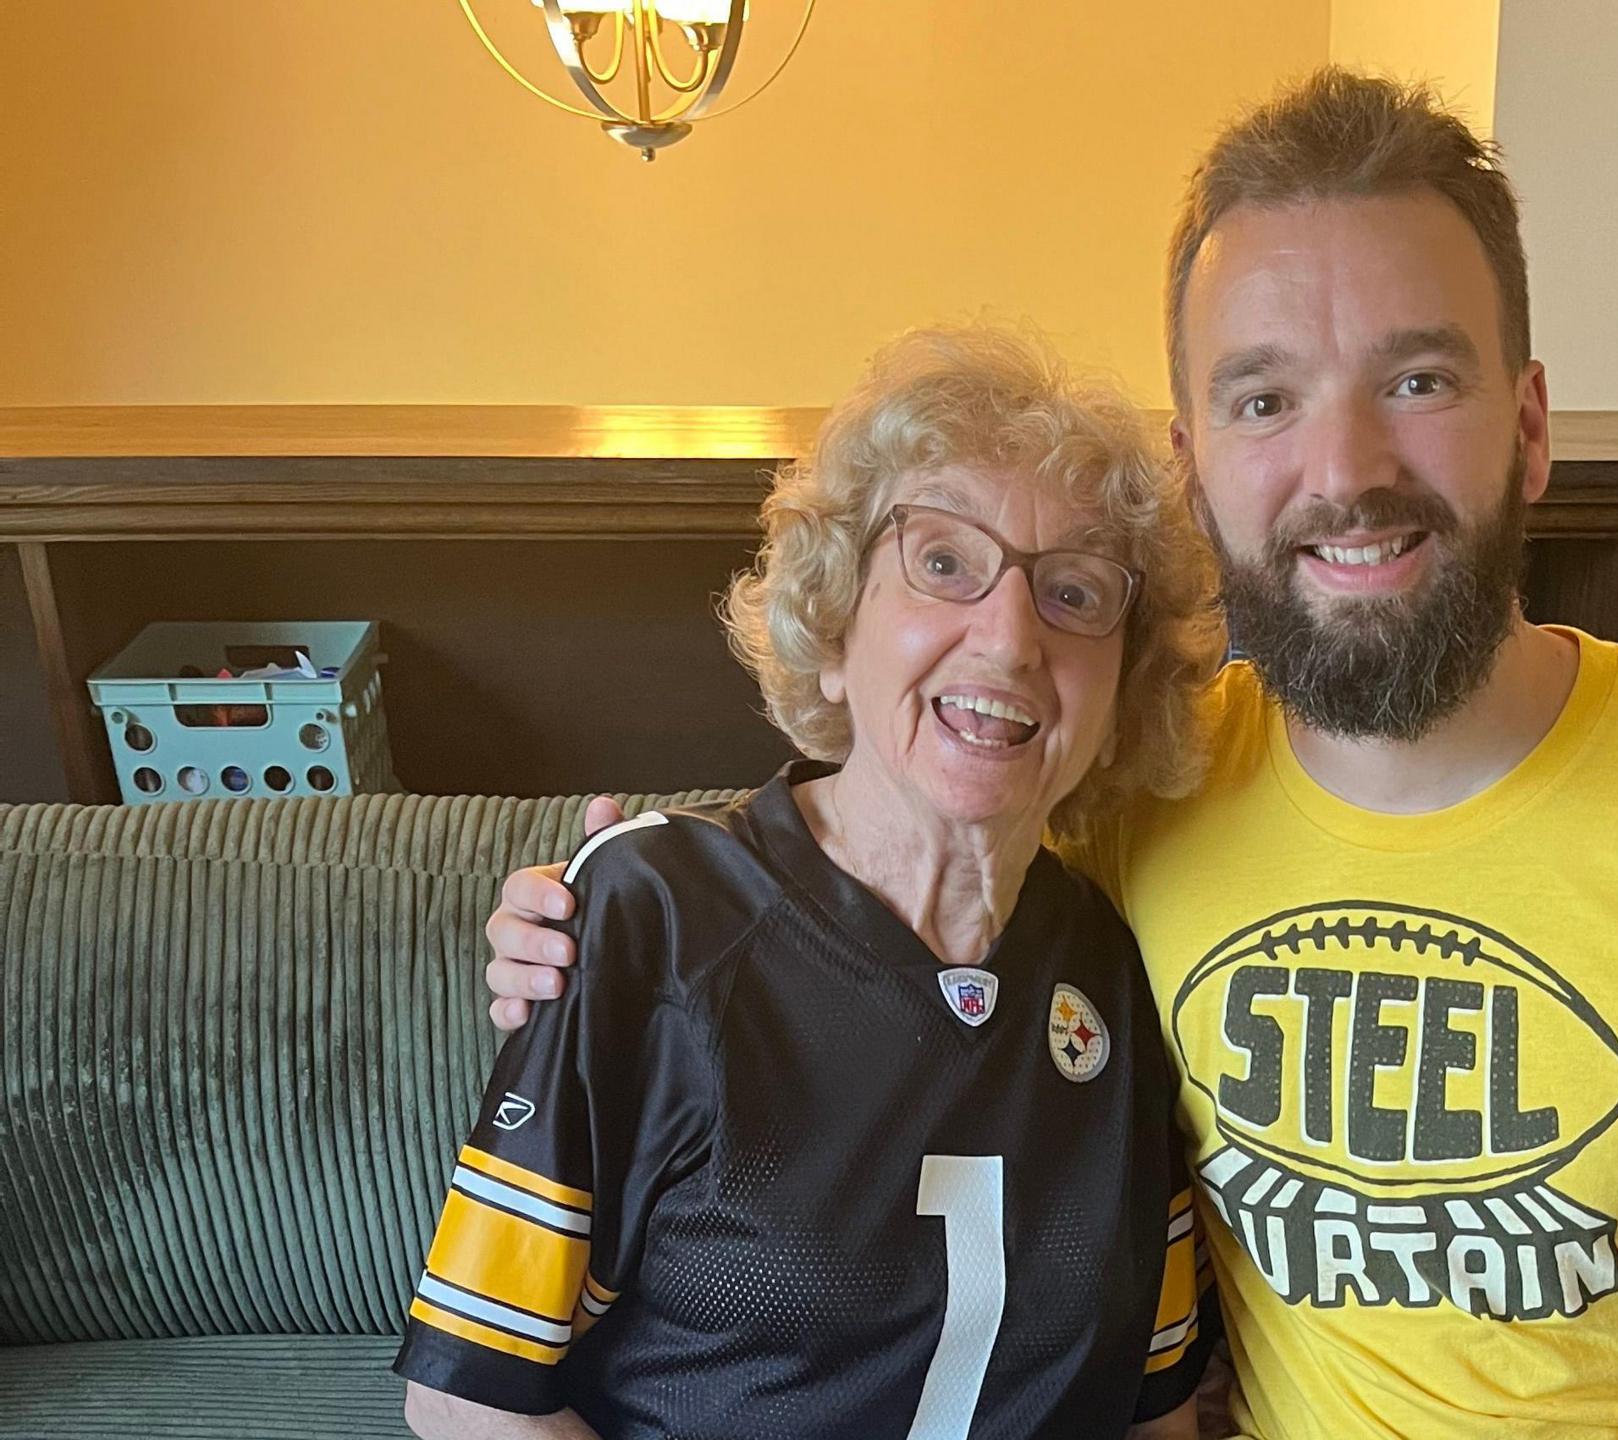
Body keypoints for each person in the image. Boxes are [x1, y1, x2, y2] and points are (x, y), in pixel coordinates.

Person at [482, 71, 1618, 1439]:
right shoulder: (1127, 791)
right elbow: (863, 851)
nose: (1343, 472)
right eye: (1267, 399)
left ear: (1529, 429)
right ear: (1194, 467)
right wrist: (598, 917)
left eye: (1419, 380)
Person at [399, 327, 1223, 1439]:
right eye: (942, 562)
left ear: (1122, 695)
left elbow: (1154, 1410)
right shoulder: (654, 918)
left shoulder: (1118, 966)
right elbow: (467, 1402)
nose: (1012, 634)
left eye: (1075, 593)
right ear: (835, 628)